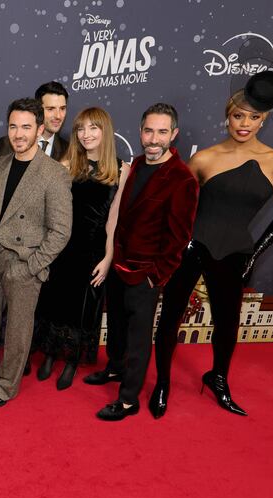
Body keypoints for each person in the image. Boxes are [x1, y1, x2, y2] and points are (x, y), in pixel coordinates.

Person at [150, 72, 273, 419]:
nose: (244, 124)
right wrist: (177, 245)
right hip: (191, 248)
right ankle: (162, 384)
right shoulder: (204, 159)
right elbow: (177, 206)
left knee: (228, 324)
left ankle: (218, 378)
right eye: (237, 115)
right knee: (170, 317)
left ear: (265, 118)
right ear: (227, 116)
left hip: (236, 253)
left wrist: (254, 255)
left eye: (253, 117)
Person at [84, 103, 199, 421]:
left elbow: (178, 239)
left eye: (162, 132)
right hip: (119, 266)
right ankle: (114, 369)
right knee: (118, 327)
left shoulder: (182, 180)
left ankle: (128, 399)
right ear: (140, 131)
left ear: (173, 134)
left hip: (146, 273)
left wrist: (155, 275)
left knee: (137, 337)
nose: (153, 138)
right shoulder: (135, 164)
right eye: (149, 130)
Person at [0, 98, 72, 408]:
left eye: (26, 127)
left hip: (24, 261)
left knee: (17, 329)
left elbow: (61, 230)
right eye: (13, 126)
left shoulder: (53, 173)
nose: (18, 133)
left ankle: (5, 385)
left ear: (40, 129)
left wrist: (34, 264)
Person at [35, 107, 130, 390]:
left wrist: (109, 257)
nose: (86, 134)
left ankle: (72, 361)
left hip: (93, 251)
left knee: (83, 308)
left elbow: (115, 219)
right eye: (80, 129)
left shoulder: (121, 169)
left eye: (93, 128)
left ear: (105, 131)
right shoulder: (66, 166)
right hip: (63, 247)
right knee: (55, 302)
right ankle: (50, 354)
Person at [0, 81, 70, 161]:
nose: (58, 116)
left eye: (62, 108)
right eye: (50, 109)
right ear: (38, 109)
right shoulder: (8, 144)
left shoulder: (69, 150)